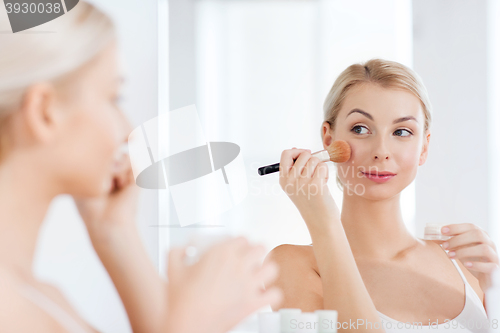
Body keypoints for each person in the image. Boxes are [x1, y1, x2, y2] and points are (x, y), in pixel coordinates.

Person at [0, 2, 282, 333]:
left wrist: (113, 231)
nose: (126, 129)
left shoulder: (42, 298)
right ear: (45, 113)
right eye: (113, 98)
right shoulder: (13, 308)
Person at [264, 59, 499, 332]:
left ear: (424, 147)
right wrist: (323, 221)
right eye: (360, 129)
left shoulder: (463, 260)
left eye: (402, 131)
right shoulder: (292, 265)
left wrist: (495, 288)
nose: (381, 150)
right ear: (328, 141)